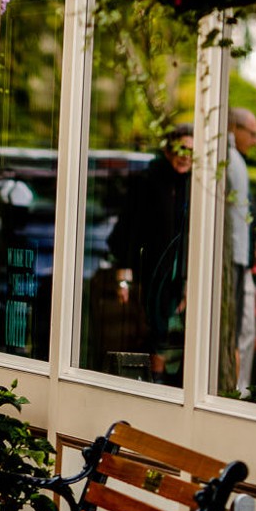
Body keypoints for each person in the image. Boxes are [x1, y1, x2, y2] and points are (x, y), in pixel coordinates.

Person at [106, 123, 194, 382]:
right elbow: (130, 229)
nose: (185, 155)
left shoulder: (194, 186)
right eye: (179, 148)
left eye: (191, 150)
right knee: (157, 328)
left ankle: (167, 382)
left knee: (175, 332)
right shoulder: (148, 181)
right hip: (153, 271)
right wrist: (124, 275)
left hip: (183, 271)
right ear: (167, 150)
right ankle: (155, 384)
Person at [226, 107, 256, 394]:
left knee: (244, 329)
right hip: (233, 257)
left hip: (241, 255)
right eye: (252, 133)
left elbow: (242, 210)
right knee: (235, 331)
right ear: (234, 129)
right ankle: (234, 389)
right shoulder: (227, 160)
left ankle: (240, 388)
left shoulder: (236, 161)